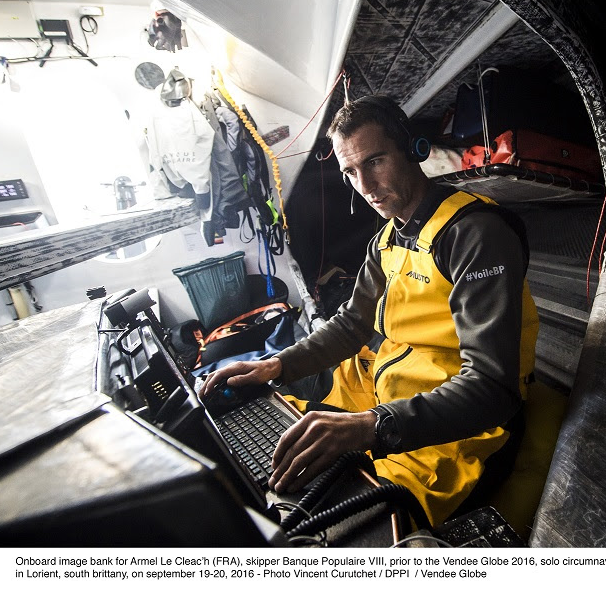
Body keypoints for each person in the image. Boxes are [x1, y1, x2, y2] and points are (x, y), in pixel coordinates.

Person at [200, 95, 539, 526]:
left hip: (454, 424)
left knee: (336, 523)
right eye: (351, 172)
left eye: (375, 161)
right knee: (254, 447)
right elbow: (352, 324)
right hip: (383, 392)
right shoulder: (385, 239)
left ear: (414, 149)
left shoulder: (474, 234)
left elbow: (493, 388)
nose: (366, 185)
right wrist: (277, 365)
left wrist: (369, 427)